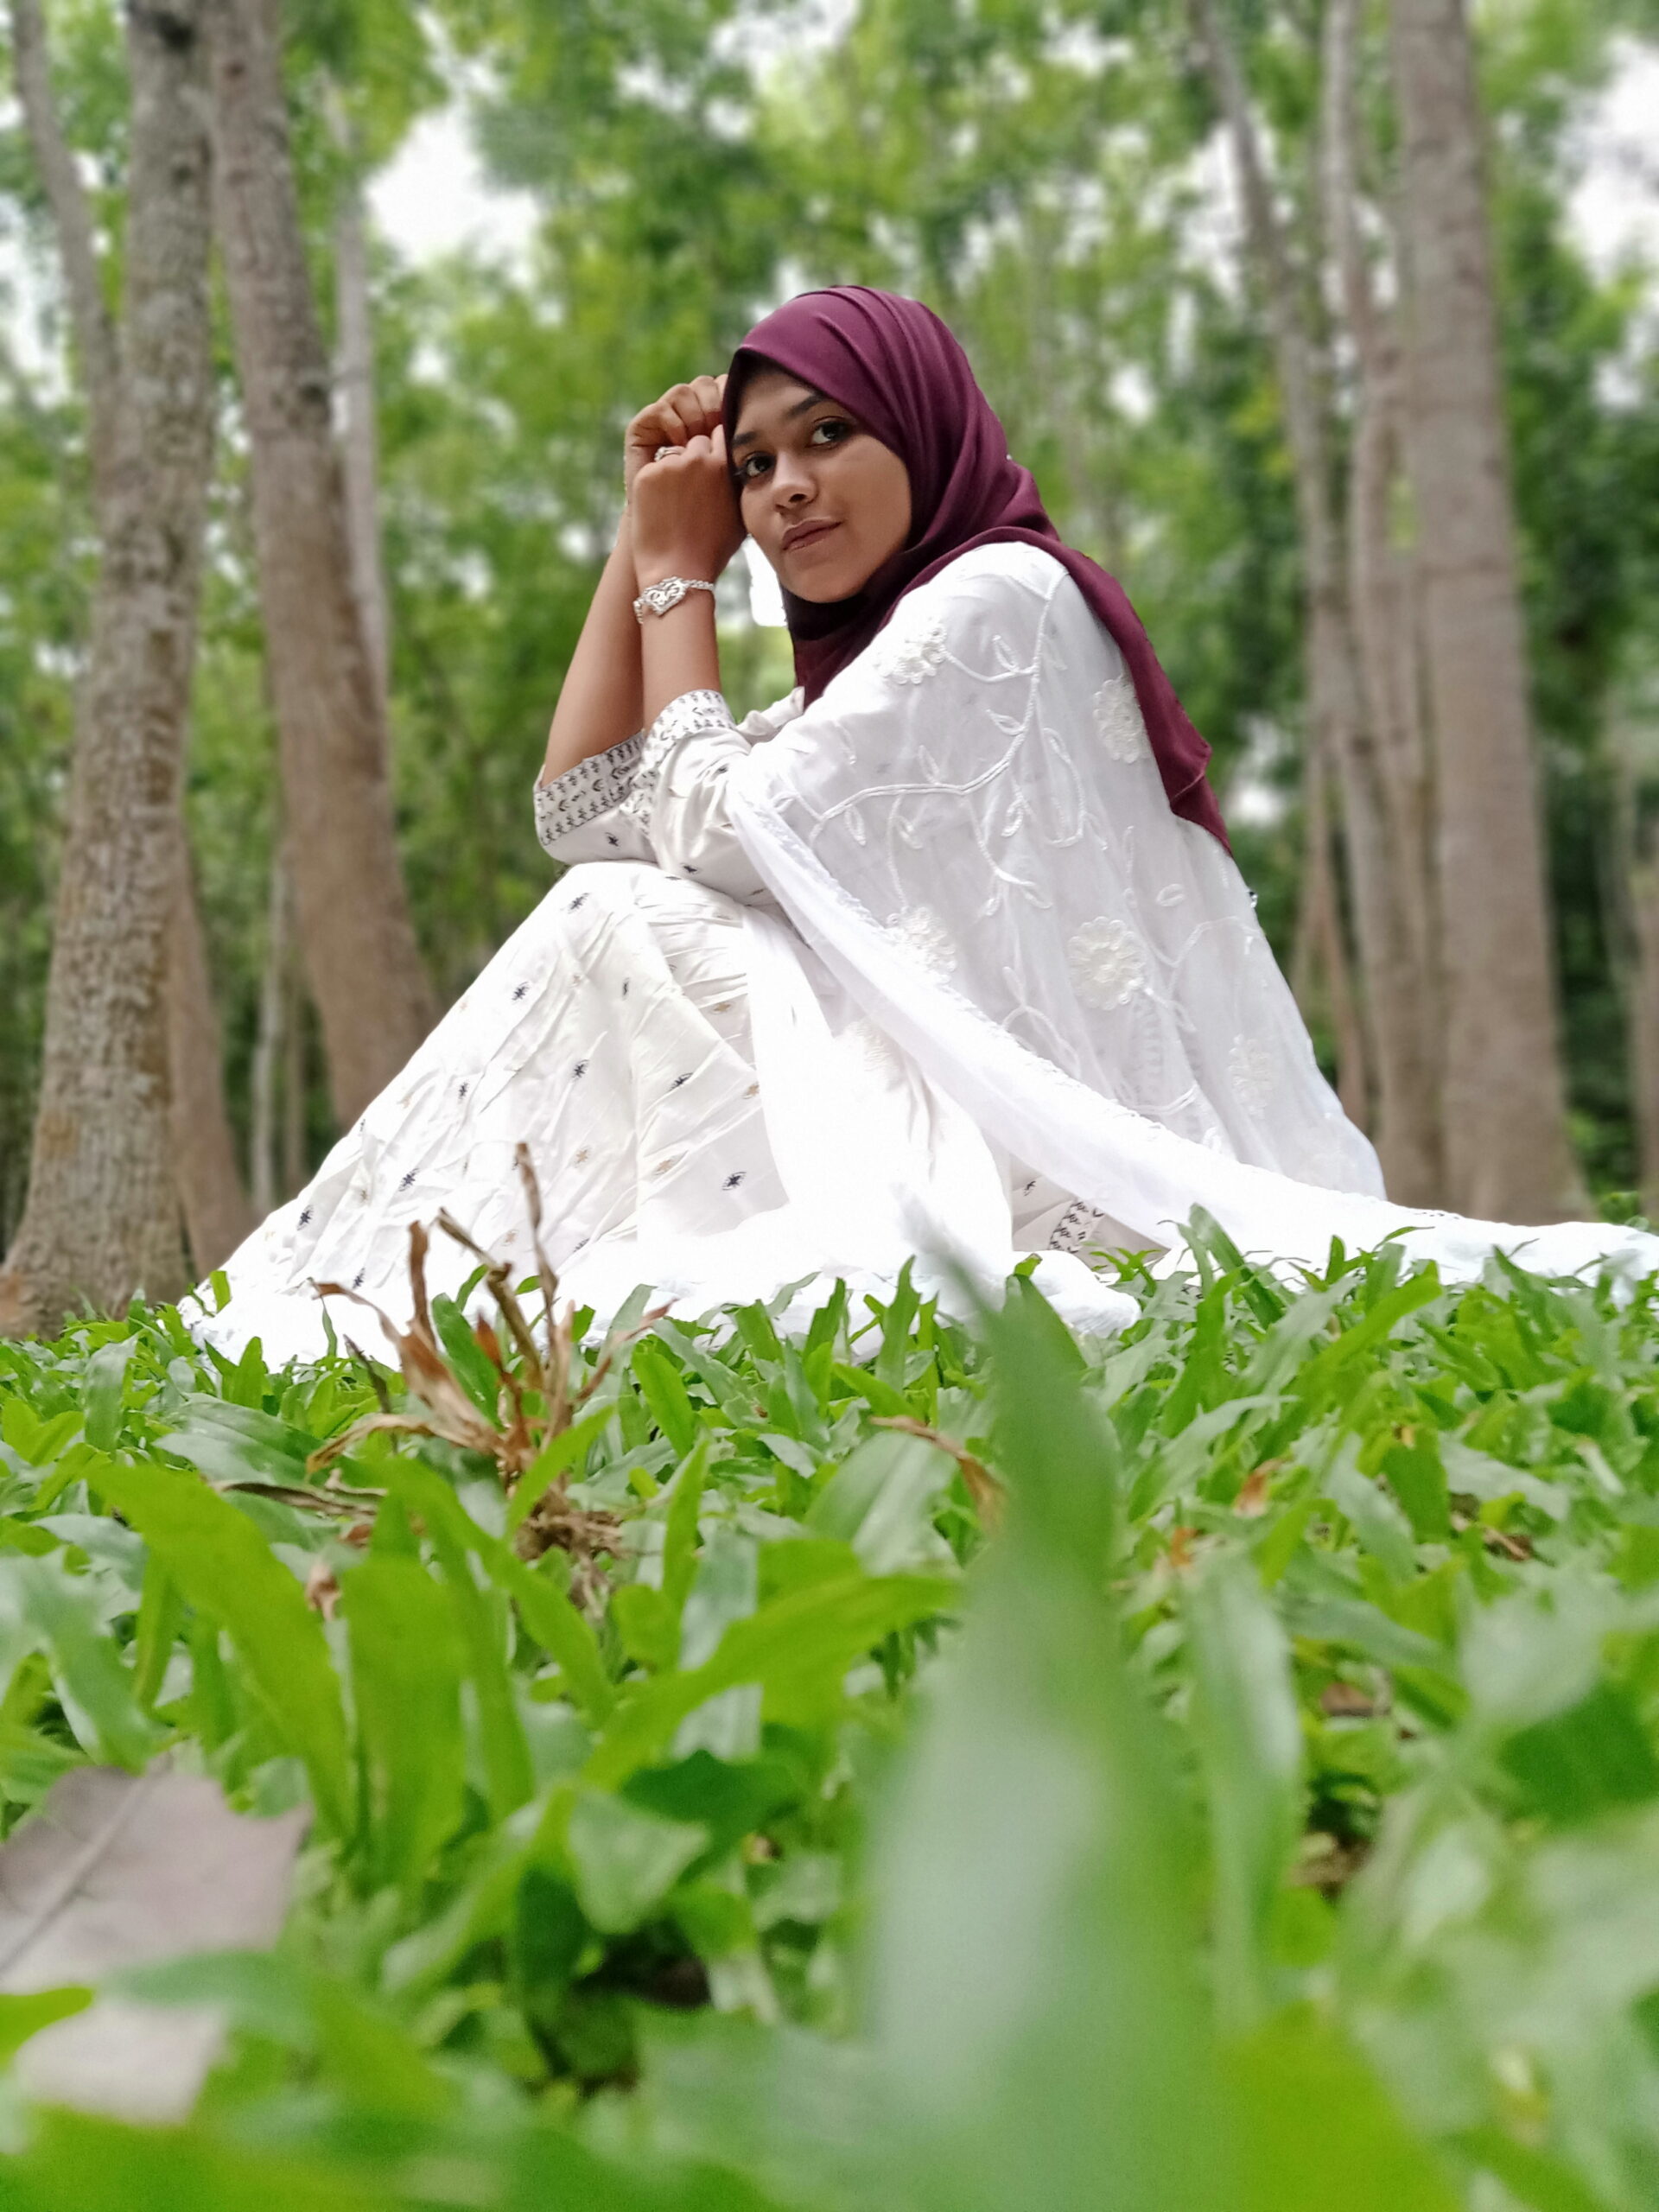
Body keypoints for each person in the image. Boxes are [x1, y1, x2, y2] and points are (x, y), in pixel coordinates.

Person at [204, 286, 1651, 1363]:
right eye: (753, 468)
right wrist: (643, 537)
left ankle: (348, 1286)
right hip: (931, 1111)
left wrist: (679, 583)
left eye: (829, 435)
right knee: (608, 902)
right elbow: (584, 808)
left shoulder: (1001, 600)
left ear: (925, 424)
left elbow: (703, 827)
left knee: (622, 917)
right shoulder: (851, 689)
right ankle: (354, 1284)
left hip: (1039, 1160)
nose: (787, 487)